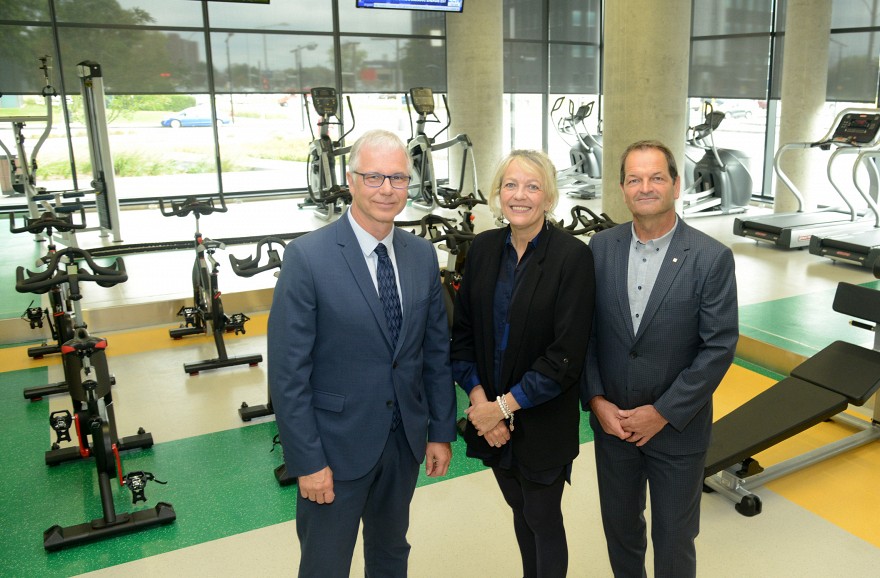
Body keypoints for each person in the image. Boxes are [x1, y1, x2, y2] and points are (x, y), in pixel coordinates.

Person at [268, 129, 456, 578]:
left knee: (391, 553)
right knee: (325, 564)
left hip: (403, 441)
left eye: (397, 178)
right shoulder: (307, 258)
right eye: (373, 177)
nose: (387, 190)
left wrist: (440, 431)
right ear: (350, 181)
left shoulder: (422, 256)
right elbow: (288, 373)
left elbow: (434, 353)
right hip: (334, 448)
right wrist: (307, 461)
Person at [581, 139, 738, 577]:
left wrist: (663, 412)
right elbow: (586, 335)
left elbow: (719, 346)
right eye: (634, 179)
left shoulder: (710, 258)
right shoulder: (600, 248)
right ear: (622, 188)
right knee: (621, 531)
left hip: (677, 432)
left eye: (656, 178)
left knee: (674, 538)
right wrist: (596, 401)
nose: (645, 187)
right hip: (612, 425)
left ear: (675, 184)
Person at [451, 149, 596, 578]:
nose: (520, 195)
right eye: (510, 185)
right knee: (520, 510)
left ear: (549, 198)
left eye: (532, 186)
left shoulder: (572, 257)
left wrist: (503, 408)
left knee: (542, 517)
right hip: (489, 420)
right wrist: (482, 406)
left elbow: (565, 355)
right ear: (498, 194)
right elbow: (462, 336)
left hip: (541, 418)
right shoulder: (482, 250)